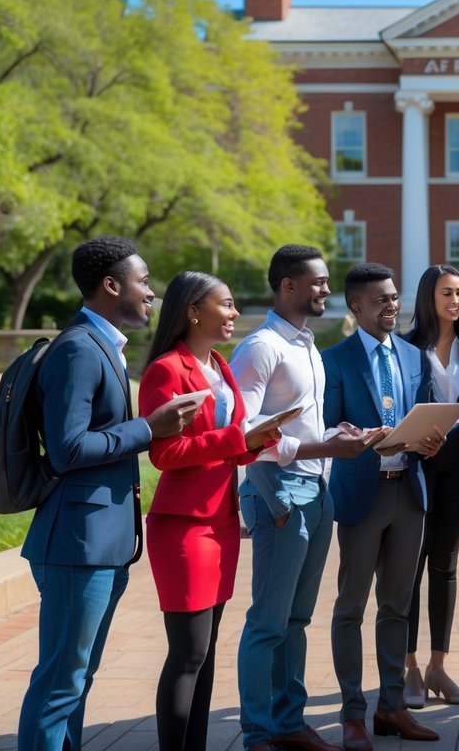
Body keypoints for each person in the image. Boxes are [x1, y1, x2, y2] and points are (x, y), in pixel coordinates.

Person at [17, 236, 197, 751]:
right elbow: (67, 449)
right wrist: (150, 428)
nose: (151, 293)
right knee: (60, 683)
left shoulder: (103, 346)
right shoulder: (78, 348)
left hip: (101, 543)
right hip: (76, 544)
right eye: (143, 282)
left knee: (77, 681)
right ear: (111, 285)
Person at [231, 245, 375, 751]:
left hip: (318, 489)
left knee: (296, 619)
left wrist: (337, 434)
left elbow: (298, 423)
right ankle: (256, 733)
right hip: (278, 493)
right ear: (287, 285)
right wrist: (322, 446)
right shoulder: (260, 347)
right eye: (317, 282)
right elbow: (242, 432)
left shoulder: (307, 346)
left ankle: (289, 724)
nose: (326, 289)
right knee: (268, 622)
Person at [139, 272, 284, 751]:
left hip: (221, 522)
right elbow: (164, 454)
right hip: (183, 526)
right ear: (193, 311)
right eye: (226, 304)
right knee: (188, 652)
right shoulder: (166, 370)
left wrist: (255, 442)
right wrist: (237, 440)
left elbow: (231, 446)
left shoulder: (220, 366)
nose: (235, 313)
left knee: (206, 651)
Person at [322, 263, 444, 750]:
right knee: (350, 607)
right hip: (360, 495)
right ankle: (353, 713)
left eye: (394, 298)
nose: (392, 306)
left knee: (397, 607)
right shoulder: (335, 359)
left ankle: (391, 708)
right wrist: (353, 438)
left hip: (409, 492)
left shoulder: (415, 356)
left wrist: (432, 442)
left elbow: (427, 413)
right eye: (380, 300)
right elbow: (327, 429)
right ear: (356, 307)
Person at [402, 265, 459, 708]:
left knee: (446, 564)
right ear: (428, 298)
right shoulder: (405, 345)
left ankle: (438, 666)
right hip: (416, 466)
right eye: (446, 293)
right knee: (411, 566)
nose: (455, 300)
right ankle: (410, 668)